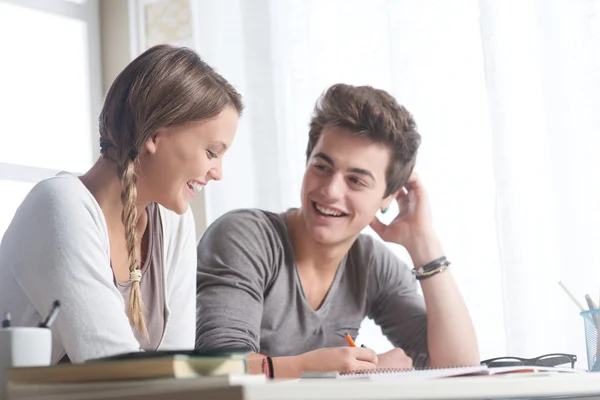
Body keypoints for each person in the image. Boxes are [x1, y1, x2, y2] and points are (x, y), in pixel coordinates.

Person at [196, 83, 479, 378]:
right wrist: (355, 372)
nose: (330, 190)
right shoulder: (245, 237)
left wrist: (424, 245)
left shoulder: (370, 264)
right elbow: (221, 368)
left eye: (356, 181)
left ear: (387, 198)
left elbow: (458, 368)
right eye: (322, 167)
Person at [0, 44, 243, 364]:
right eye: (211, 152)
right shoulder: (58, 207)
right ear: (155, 135)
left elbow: (177, 368)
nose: (217, 173)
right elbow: (110, 366)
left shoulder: (173, 222)